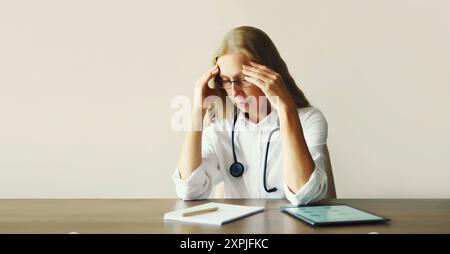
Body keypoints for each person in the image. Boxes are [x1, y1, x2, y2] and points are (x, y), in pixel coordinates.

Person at [173, 26, 332, 205]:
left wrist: (286, 109)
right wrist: (198, 111)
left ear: (270, 75)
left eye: (244, 79)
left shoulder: (309, 120)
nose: (234, 92)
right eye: (225, 80)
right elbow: (189, 190)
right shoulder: (220, 127)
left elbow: (305, 195)